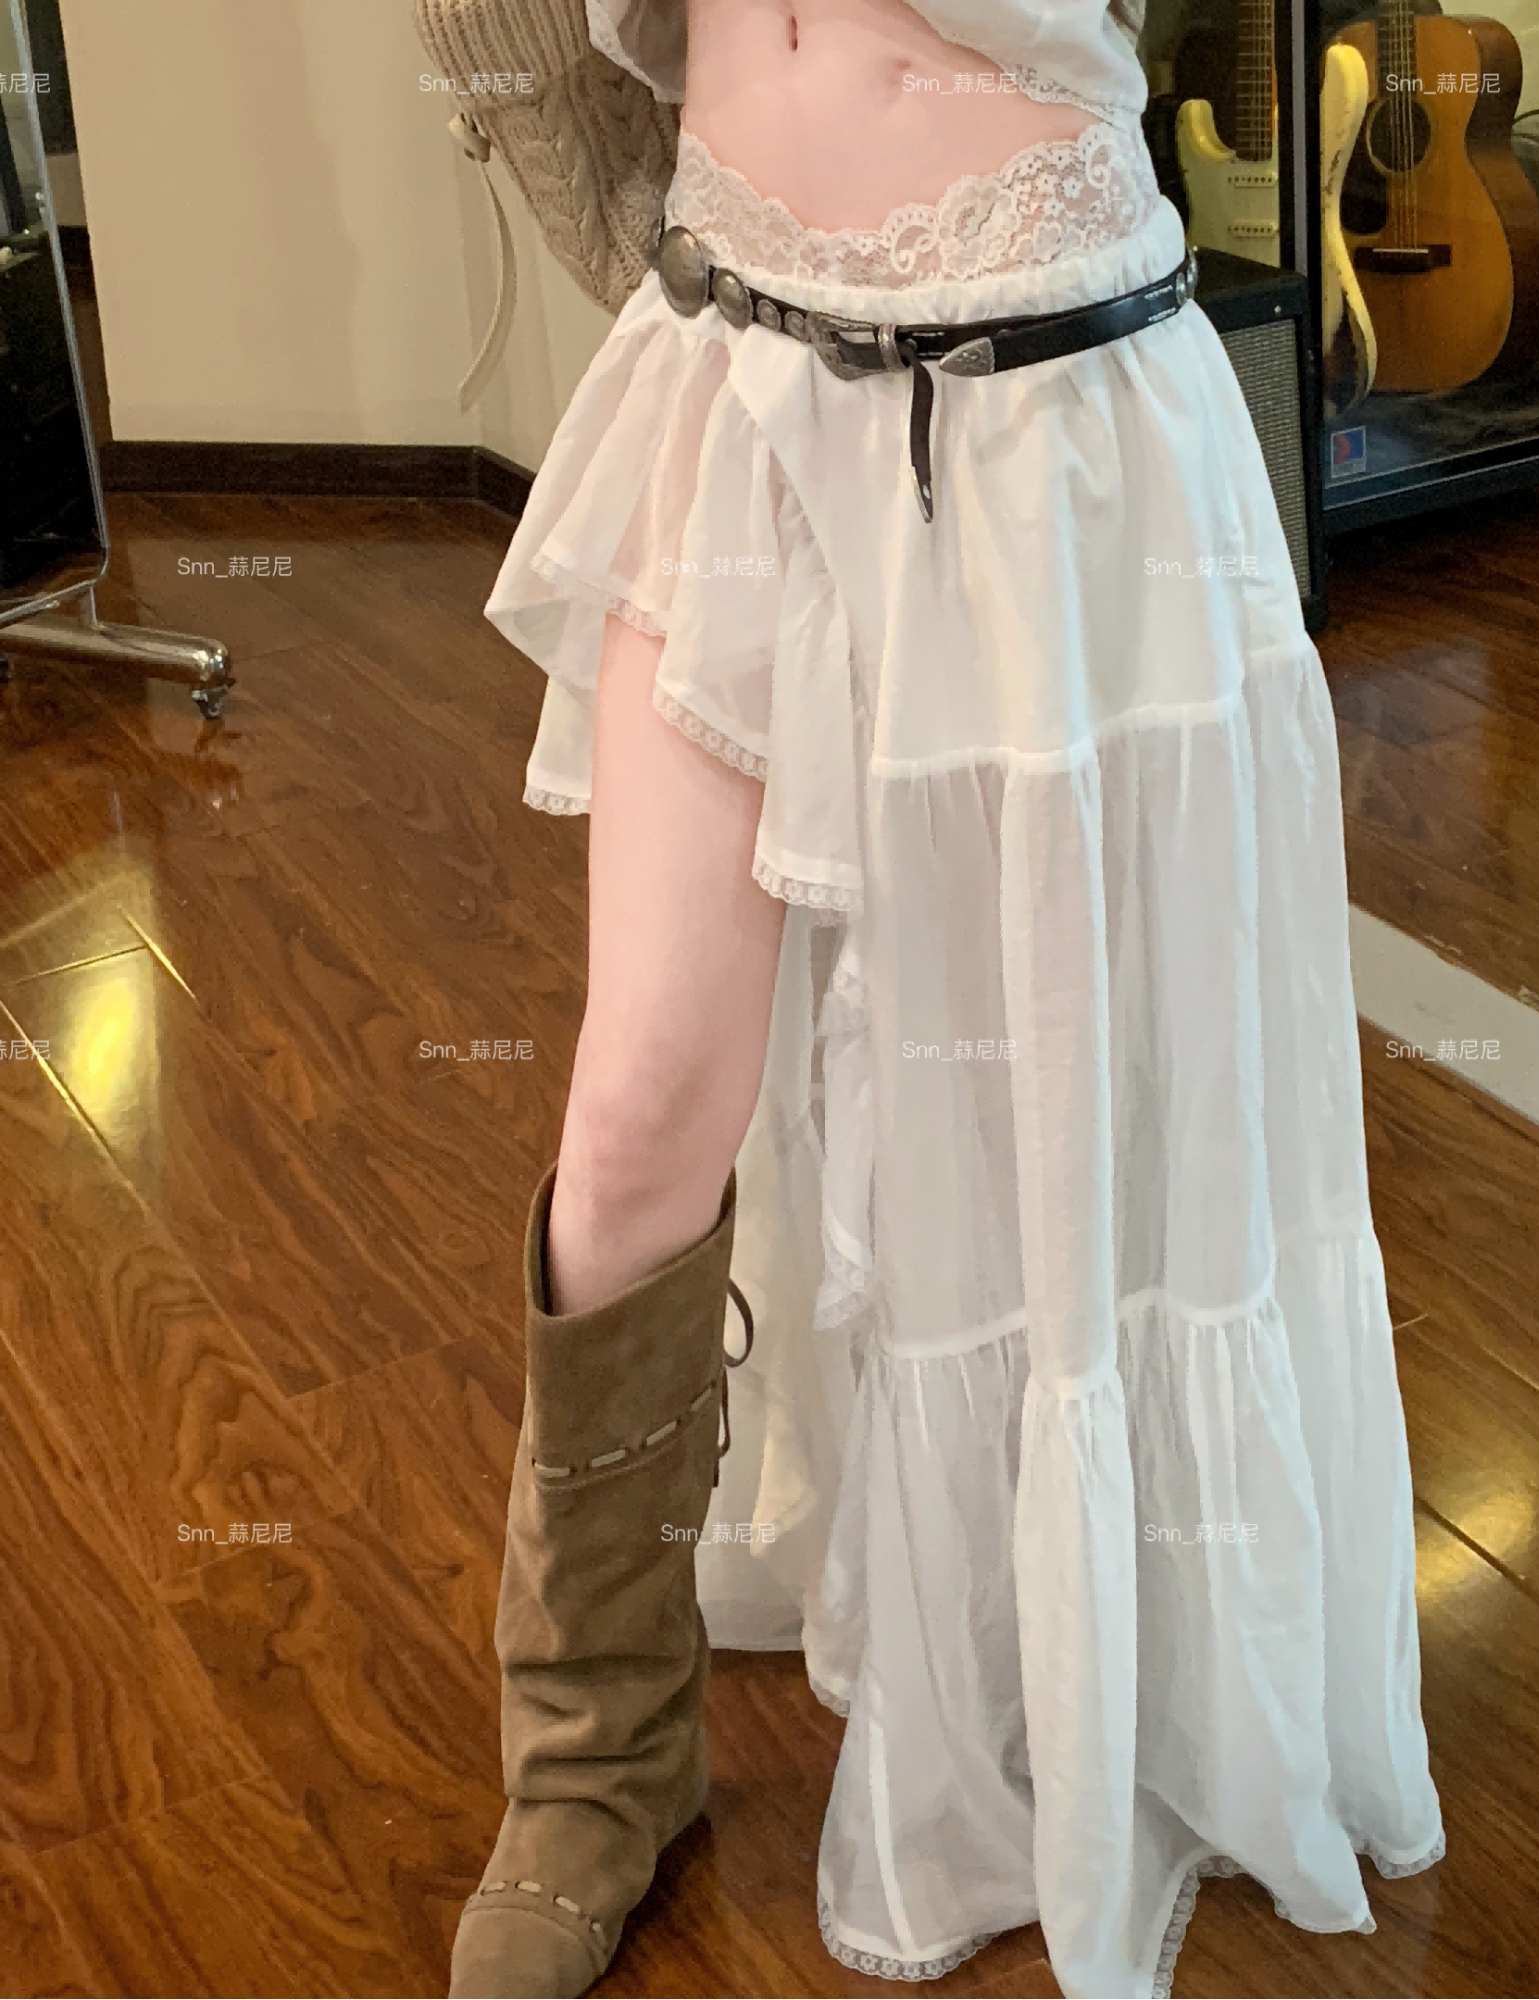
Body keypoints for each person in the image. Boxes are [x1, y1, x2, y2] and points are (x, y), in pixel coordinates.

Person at [450, 2, 1445, 1996]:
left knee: (1066, 1117)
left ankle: (1097, 1656)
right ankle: (594, 1760)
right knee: (639, 1112)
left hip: (1051, 417)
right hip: (735, 380)